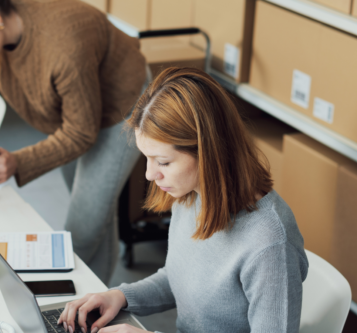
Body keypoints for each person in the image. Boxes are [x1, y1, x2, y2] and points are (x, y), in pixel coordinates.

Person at [0, 0, 147, 283]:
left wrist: (19, 161)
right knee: (96, 214)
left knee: (82, 229)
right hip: (73, 113)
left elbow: (80, 133)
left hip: (120, 107)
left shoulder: (61, 46)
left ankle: (87, 308)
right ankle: (98, 302)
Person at [57, 67, 309, 333]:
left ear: (208, 152)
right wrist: (119, 297)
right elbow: (179, 279)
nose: (150, 174)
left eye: (163, 161)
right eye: (147, 158)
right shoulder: (191, 196)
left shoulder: (270, 244)